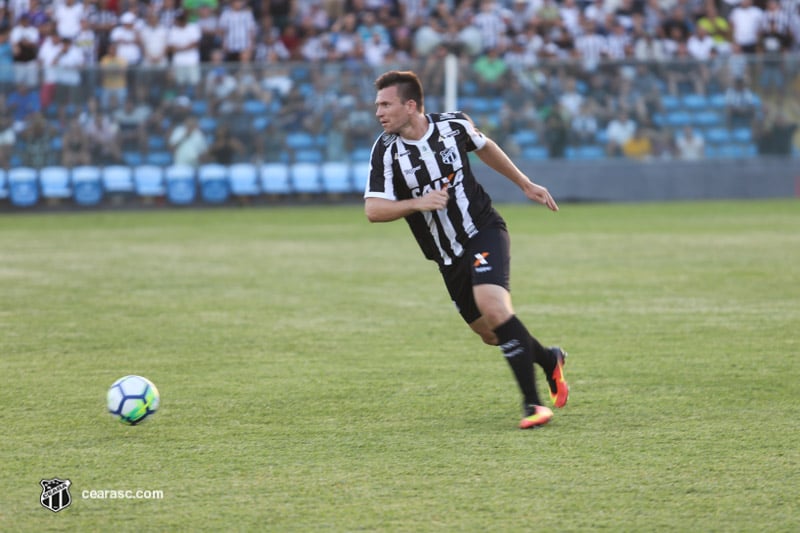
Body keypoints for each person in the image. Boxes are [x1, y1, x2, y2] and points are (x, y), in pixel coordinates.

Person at [363, 70, 569, 430]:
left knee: (493, 305)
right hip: (446, 256)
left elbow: (485, 146)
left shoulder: (453, 126)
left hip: (482, 230)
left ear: (410, 105)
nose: (378, 112)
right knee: (491, 333)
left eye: (385, 104)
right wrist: (418, 203)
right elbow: (373, 210)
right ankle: (548, 359)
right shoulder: (386, 151)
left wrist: (524, 183)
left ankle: (533, 404)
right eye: (377, 104)